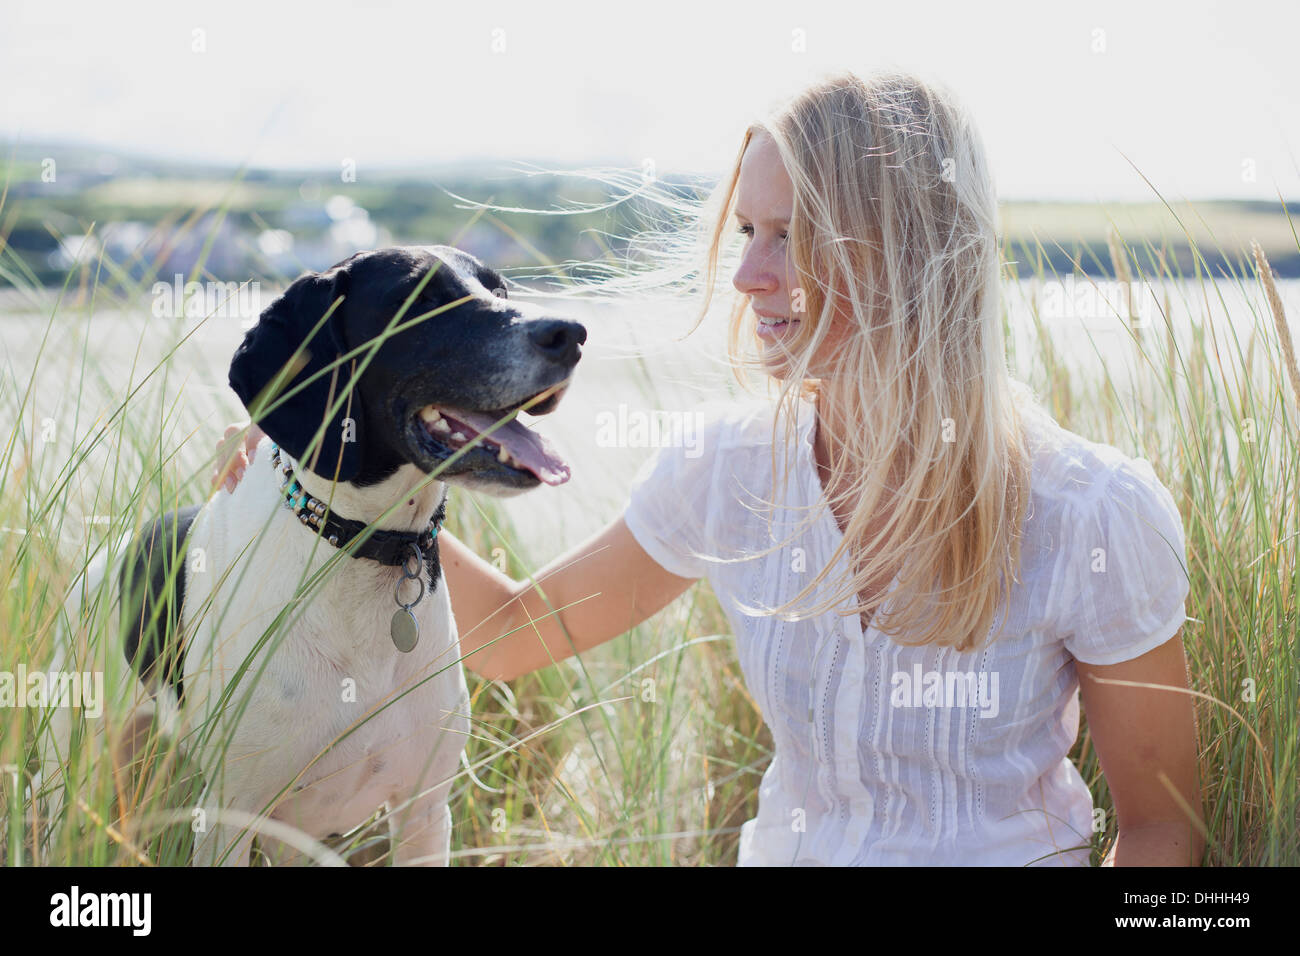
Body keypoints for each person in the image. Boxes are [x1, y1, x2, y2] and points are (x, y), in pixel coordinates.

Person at [214, 69, 1204, 867]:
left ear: (907, 251)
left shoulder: (1092, 513)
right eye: (745, 233)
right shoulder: (731, 469)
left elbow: (1160, 827)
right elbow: (518, 634)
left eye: (791, 235)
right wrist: (326, 482)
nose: (748, 276)